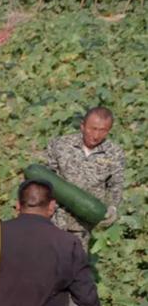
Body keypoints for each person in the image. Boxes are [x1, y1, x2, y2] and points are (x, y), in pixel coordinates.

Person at [46, 106, 126, 251]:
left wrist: (113, 207)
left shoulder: (114, 153)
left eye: (103, 131)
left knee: (75, 265)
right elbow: (46, 177)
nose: (96, 135)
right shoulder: (60, 145)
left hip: (83, 224)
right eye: (92, 128)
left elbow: (115, 185)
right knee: (48, 262)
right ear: (82, 126)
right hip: (54, 217)